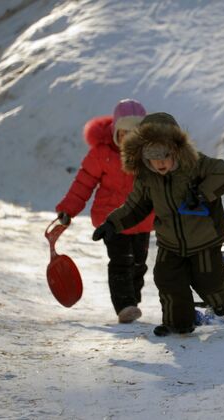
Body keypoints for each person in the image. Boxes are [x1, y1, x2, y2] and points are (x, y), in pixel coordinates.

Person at [92, 112, 224, 336]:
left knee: (208, 279)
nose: (159, 162)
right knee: (167, 279)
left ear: (176, 149)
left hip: (204, 237)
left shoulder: (196, 164)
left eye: (164, 155)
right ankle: (178, 323)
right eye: (151, 156)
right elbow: (135, 206)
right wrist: (112, 224)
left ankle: (219, 300)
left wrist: (202, 193)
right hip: (170, 241)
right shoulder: (146, 178)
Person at [55, 99, 153, 324]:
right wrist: (68, 209)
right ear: (115, 132)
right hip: (112, 220)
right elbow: (83, 183)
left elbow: (167, 185)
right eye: (124, 133)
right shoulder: (102, 154)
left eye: (135, 135)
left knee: (139, 263)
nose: (129, 140)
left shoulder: (151, 157)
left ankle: (132, 301)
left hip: (143, 220)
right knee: (121, 261)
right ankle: (124, 305)